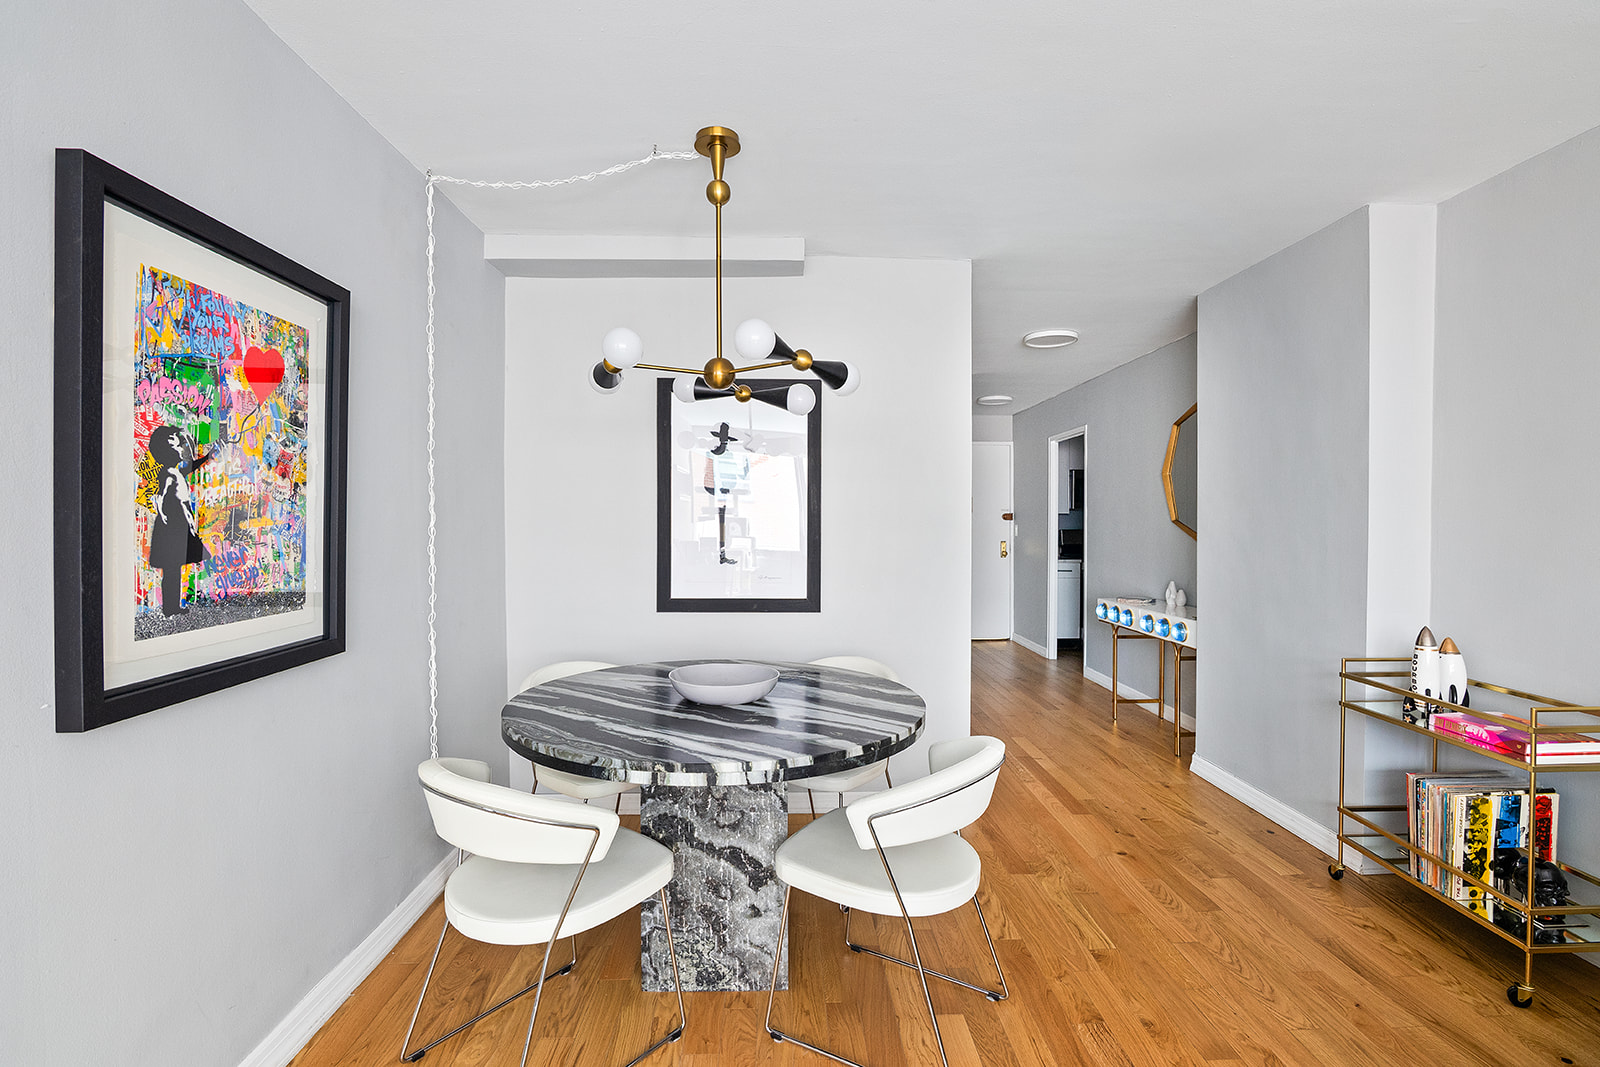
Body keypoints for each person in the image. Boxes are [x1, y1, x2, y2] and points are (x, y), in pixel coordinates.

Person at [147, 425, 206, 616]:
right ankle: (170, 608)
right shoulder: (170, 473)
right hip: (172, 526)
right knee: (172, 570)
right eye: (176, 443)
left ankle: (172, 607)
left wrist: (206, 458)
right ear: (167, 450)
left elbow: (190, 468)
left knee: (174, 570)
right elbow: (161, 496)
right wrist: (164, 514)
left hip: (177, 525)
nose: (182, 446)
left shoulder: (176, 471)